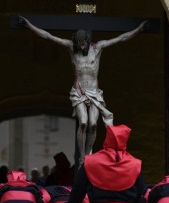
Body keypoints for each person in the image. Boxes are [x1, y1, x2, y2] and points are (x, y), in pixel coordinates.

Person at [19, 16, 149, 165]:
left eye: (83, 44)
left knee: (93, 124)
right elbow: (48, 36)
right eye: (78, 44)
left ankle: (88, 154)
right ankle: (81, 157)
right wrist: (29, 25)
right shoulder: (71, 48)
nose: (80, 47)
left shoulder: (98, 47)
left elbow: (121, 38)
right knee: (84, 123)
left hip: (94, 92)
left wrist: (138, 29)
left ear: (87, 41)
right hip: (79, 92)